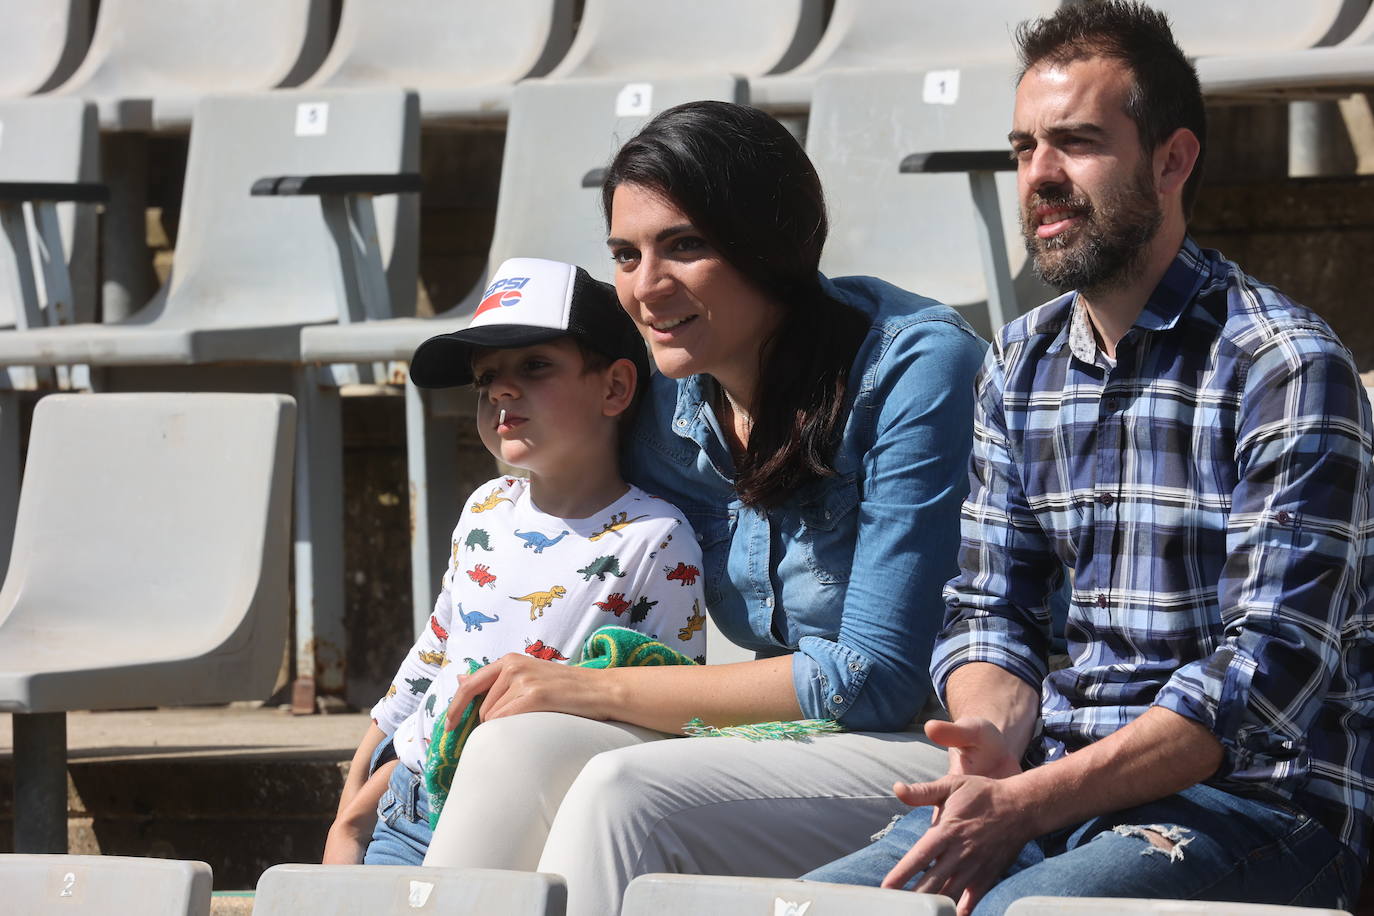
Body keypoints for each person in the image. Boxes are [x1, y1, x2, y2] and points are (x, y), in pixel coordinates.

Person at [805, 3, 1374, 914]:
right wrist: (990, 731)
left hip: (1258, 807)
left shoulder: (1286, 366)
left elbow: (1260, 682)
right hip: (1053, 790)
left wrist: (1026, 800)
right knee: (805, 909)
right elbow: (991, 607)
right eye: (1025, 146)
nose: (1040, 175)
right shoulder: (1021, 359)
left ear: (1172, 159)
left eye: (1075, 142)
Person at [421, 100, 984, 915]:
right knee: (515, 744)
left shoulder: (913, 366)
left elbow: (878, 678)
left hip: (931, 749)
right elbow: (542, 510)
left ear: (770, 243)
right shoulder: (664, 389)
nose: (645, 288)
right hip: (779, 741)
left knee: (622, 789)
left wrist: (591, 688)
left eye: (684, 246)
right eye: (625, 253)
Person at [321, 256, 707, 866]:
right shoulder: (484, 508)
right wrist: (354, 796)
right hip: (408, 806)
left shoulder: (655, 537)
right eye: (486, 378)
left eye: (534, 366)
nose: (501, 389)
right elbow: (437, 645)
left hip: (536, 817)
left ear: (614, 388)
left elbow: (667, 701)